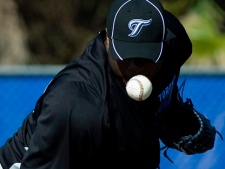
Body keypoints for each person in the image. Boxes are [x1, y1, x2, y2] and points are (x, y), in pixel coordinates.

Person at [0, 0, 221, 168]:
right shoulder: (76, 106)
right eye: (125, 56)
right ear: (107, 41)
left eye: (146, 57)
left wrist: (170, 112)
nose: (135, 68)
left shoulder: (175, 46)